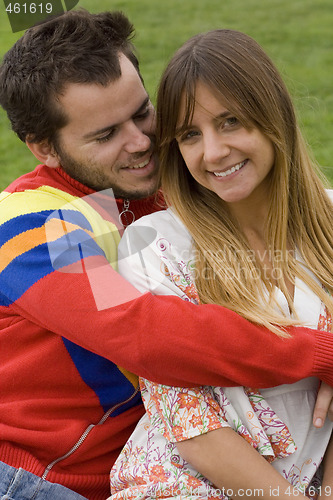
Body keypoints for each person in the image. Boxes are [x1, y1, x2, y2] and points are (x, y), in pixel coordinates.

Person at [0, 10, 332, 500]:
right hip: (39, 478)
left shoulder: (152, 192)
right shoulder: (38, 225)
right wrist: (320, 355)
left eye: (141, 113)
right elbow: (147, 334)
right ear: (44, 148)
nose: (142, 143)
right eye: (106, 134)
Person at [109, 29, 333, 499]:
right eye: (191, 134)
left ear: (273, 116)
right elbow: (188, 420)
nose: (213, 152)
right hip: (180, 486)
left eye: (230, 122)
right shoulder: (151, 244)